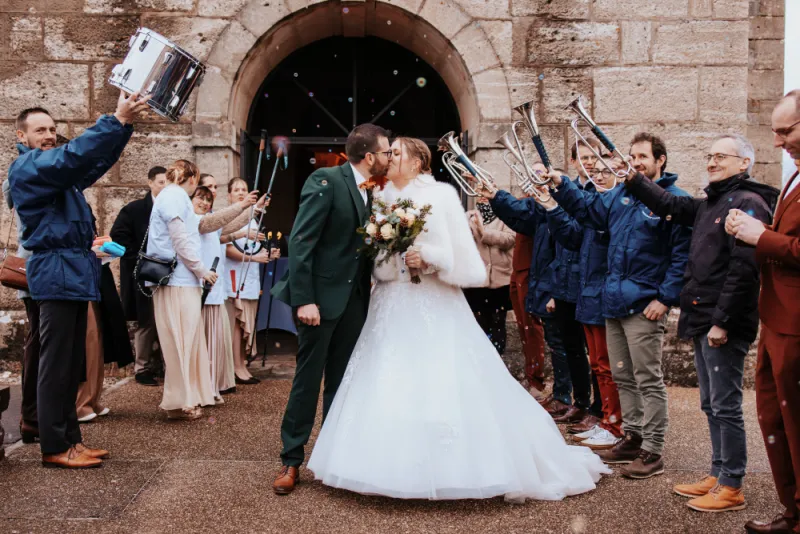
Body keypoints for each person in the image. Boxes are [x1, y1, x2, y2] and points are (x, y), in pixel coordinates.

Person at [307, 137, 609, 501]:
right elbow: (378, 260)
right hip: (389, 303)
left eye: (398, 152)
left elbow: (468, 264)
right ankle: (382, 466)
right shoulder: (380, 199)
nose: (390, 158)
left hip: (435, 302)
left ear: (418, 162)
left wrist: (430, 259)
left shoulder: (442, 197)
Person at [626, 134, 777, 511]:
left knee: (725, 405)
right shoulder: (715, 202)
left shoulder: (747, 203)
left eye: (720, 157)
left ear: (744, 163)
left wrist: (722, 322)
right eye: (709, 156)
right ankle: (718, 473)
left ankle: (732, 485)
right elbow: (670, 205)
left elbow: (744, 271)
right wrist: (633, 179)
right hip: (703, 316)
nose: (711, 162)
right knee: (711, 404)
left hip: (722, 321)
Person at [8, 92, 149, 468]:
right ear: (22, 137)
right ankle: (54, 446)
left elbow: (93, 160)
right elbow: (72, 158)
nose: (50, 134)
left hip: (71, 270)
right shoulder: (28, 169)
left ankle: (71, 439)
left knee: (69, 363)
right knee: (55, 364)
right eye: (40, 129)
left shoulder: (56, 173)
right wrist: (114, 118)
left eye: (53, 128)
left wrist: (124, 126)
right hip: (54, 271)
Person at [547, 132, 692, 479]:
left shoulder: (674, 200)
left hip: (645, 304)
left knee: (647, 379)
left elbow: (681, 257)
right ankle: (633, 436)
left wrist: (664, 298)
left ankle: (653, 450)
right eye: (632, 155)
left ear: (661, 161)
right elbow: (588, 212)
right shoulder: (622, 195)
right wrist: (562, 185)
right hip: (614, 300)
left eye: (643, 156)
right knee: (624, 376)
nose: (636, 162)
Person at [270, 123, 390, 495]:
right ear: (369, 156)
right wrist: (305, 299)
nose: (389, 157)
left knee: (342, 381)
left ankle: (332, 457)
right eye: (386, 151)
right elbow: (302, 242)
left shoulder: (369, 191)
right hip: (319, 303)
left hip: (354, 301)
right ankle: (291, 459)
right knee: (308, 381)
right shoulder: (326, 180)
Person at [726, 91, 800, 534]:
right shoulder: (793, 177)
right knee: (773, 419)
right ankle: (792, 512)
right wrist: (752, 235)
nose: (777, 142)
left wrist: (762, 237)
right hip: (775, 319)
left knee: (796, 421)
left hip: (796, 324)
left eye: (786, 131)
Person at [539, 156, 624, 450]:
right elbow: (574, 239)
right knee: (598, 363)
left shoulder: (615, 207)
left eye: (604, 170)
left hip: (605, 293)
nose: (598, 176)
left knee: (609, 365)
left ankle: (611, 420)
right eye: (594, 171)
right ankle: (604, 418)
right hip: (587, 290)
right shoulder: (594, 207)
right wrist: (551, 206)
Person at [487, 165, 571, 419]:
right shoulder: (528, 204)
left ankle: (540, 383)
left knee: (538, 331)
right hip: (519, 270)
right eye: (529, 173)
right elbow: (514, 217)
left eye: (537, 173)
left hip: (533, 272)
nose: (531, 177)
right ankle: (533, 378)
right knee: (525, 327)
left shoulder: (547, 205)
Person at [146, 159, 218, 420]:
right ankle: (181, 400)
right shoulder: (175, 197)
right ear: (190, 179)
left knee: (187, 339)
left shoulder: (171, 196)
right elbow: (180, 240)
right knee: (181, 340)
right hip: (177, 280)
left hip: (181, 280)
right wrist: (202, 269)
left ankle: (190, 395)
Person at [191, 183, 265, 399]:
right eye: (200, 198)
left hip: (215, 290)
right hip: (200, 290)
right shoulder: (194, 220)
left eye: (208, 199)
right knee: (204, 343)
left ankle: (212, 386)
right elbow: (220, 223)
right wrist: (245, 205)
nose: (205, 202)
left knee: (215, 341)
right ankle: (203, 388)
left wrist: (254, 209)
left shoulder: (209, 222)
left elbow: (226, 229)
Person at [110, 165, 168, 387]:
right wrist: (141, 258)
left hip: (169, 275)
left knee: (168, 320)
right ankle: (141, 368)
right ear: (150, 183)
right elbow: (118, 237)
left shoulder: (174, 209)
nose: (164, 187)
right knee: (146, 321)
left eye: (167, 183)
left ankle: (169, 366)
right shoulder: (133, 210)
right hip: (143, 274)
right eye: (161, 182)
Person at [224, 177, 277, 385]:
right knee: (238, 323)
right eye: (235, 189)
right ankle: (236, 367)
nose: (239, 192)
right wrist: (255, 257)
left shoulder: (253, 219)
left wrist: (268, 253)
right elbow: (228, 248)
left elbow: (251, 248)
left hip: (251, 279)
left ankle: (242, 363)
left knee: (247, 322)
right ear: (229, 195)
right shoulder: (228, 217)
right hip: (235, 277)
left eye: (243, 189)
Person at [2, 177, 38, 444]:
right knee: (37, 346)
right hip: (35, 272)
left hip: (40, 274)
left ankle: (33, 416)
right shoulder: (24, 177)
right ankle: (31, 417)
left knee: (37, 344)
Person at [464, 198, 514, 354]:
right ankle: (484, 361)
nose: (482, 197)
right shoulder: (468, 216)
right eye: (478, 193)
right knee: (480, 324)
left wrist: (484, 232)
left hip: (499, 279)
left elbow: (509, 239)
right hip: (477, 281)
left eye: (485, 193)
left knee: (498, 323)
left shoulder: (505, 216)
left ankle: (498, 360)